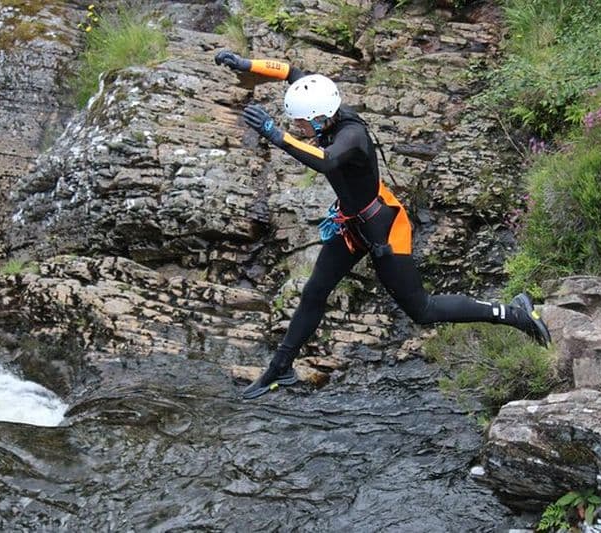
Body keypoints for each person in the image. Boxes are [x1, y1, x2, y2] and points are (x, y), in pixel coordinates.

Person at [214, 50, 551, 400]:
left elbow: (327, 162)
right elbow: (292, 71)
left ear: (319, 119)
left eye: (300, 124)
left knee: (422, 310)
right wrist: (245, 65)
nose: (297, 129)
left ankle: (515, 314)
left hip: (384, 228)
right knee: (314, 292)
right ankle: (279, 369)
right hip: (351, 225)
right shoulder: (321, 102)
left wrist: (276, 135)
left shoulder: (352, 135)